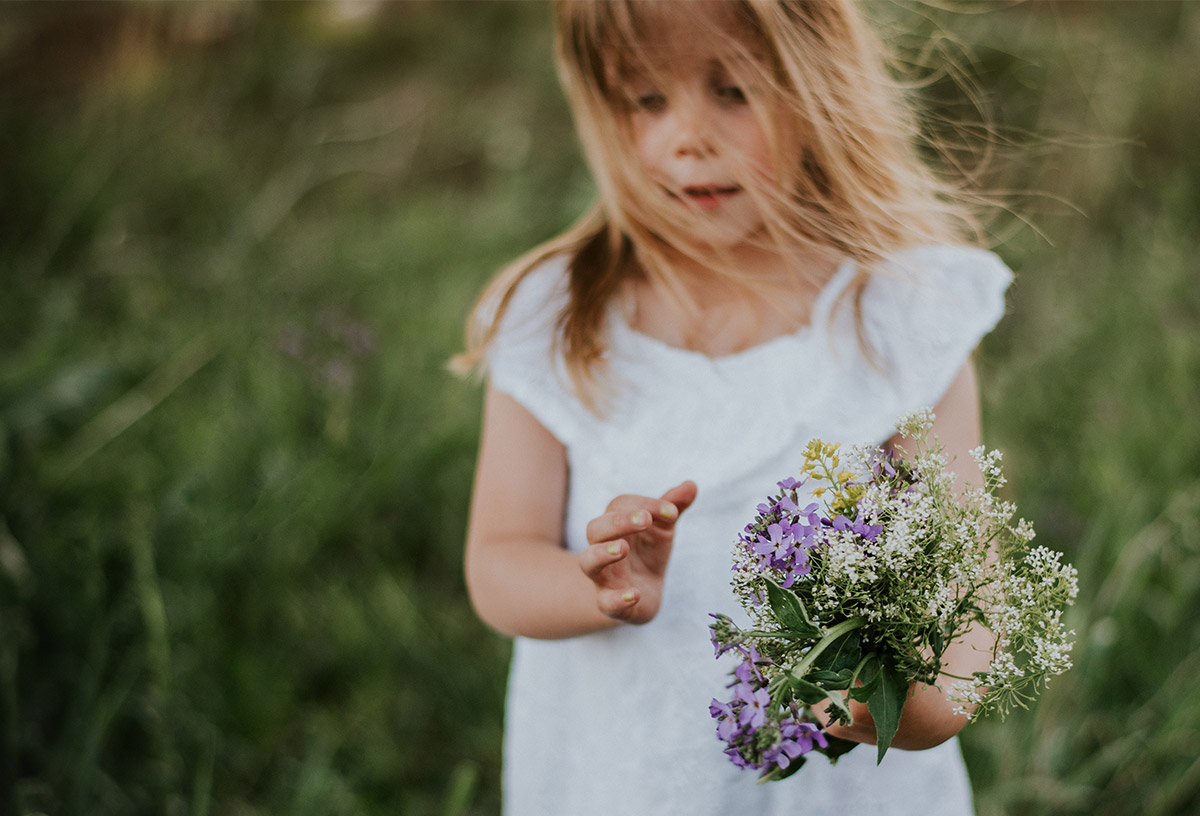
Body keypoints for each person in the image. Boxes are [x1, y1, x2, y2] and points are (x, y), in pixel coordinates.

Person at [455, 1, 1012, 813]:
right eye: (647, 99)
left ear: (819, 85)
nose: (687, 137)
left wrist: (924, 705)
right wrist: (598, 588)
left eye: (733, 90)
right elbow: (497, 560)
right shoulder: (558, 316)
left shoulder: (899, 318)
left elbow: (968, 587)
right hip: (626, 777)